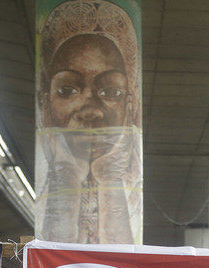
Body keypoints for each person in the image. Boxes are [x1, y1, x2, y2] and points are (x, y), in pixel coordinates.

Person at [36, 0, 142, 244]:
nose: (90, 111)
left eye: (111, 92)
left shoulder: (133, 186)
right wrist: (66, 175)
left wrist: (111, 179)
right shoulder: (46, 182)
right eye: (67, 90)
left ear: (129, 104)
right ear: (46, 104)